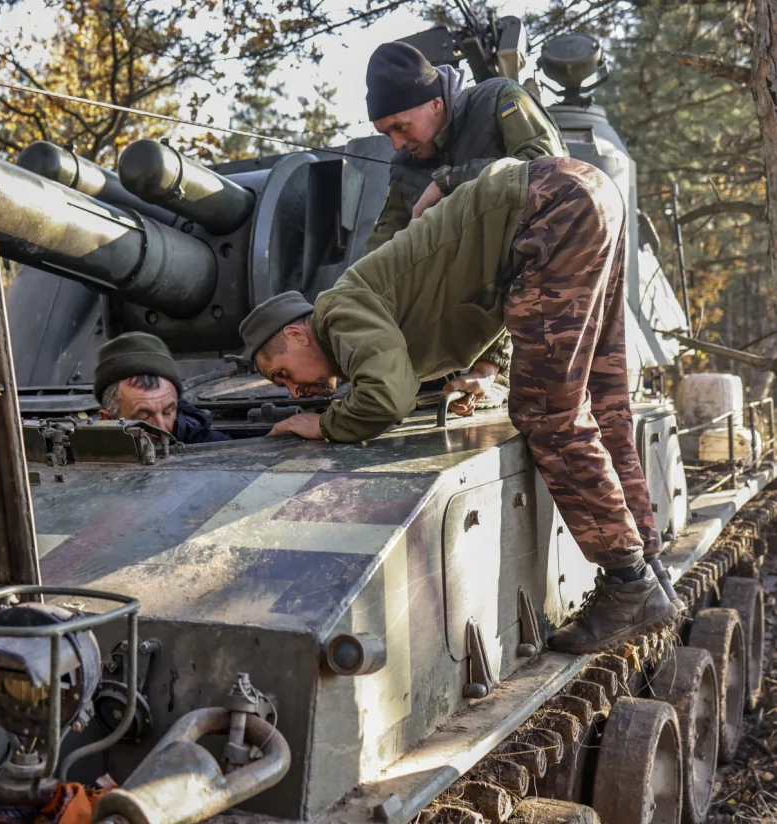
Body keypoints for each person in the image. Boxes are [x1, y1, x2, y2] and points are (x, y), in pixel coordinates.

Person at [236, 155, 676, 654]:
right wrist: (487, 368)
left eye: (282, 374)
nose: (293, 392)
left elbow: (389, 395)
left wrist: (324, 425)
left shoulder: (338, 309)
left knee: (546, 412)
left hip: (547, 208)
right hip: (581, 194)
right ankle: (650, 568)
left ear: (297, 334)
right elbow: (485, 292)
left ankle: (629, 586)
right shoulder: (361, 310)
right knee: (605, 400)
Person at [363, 41, 568, 409]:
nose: (395, 143)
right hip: (465, 327)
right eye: (385, 133)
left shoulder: (500, 100)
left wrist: (449, 181)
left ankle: (495, 370)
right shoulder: (406, 167)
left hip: (550, 291)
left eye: (400, 127)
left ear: (435, 104)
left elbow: (548, 171)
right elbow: (382, 249)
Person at [94, 332, 230, 444]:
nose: (162, 428)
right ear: (108, 420)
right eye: (143, 417)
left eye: (167, 412)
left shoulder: (216, 447)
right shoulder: (88, 456)